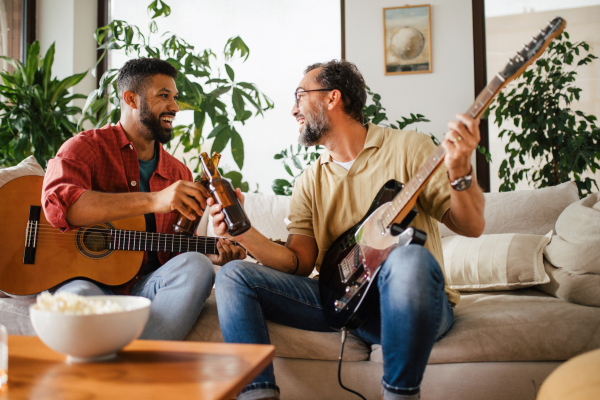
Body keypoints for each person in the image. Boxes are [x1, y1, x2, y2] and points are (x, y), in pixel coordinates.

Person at [210, 60, 485, 400]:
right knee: (234, 276)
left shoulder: (409, 148)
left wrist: (460, 172)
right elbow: (299, 262)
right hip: (345, 304)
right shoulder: (309, 181)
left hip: (413, 304)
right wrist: (243, 234)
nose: (293, 109)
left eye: (300, 95)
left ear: (332, 98)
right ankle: (258, 395)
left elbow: (471, 226)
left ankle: (400, 395)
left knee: (409, 259)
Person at [42, 58, 246, 340]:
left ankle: (139, 358)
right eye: (164, 96)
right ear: (131, 99)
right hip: (85, 281)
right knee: (77, 303)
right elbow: (60, 208)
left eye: (175, 98)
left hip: (148, 286)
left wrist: (214, 252)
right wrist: (154, 200)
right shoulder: (84, 148)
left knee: (197, 266)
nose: (174, 107)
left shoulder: (178, 172)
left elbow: (176, 251)